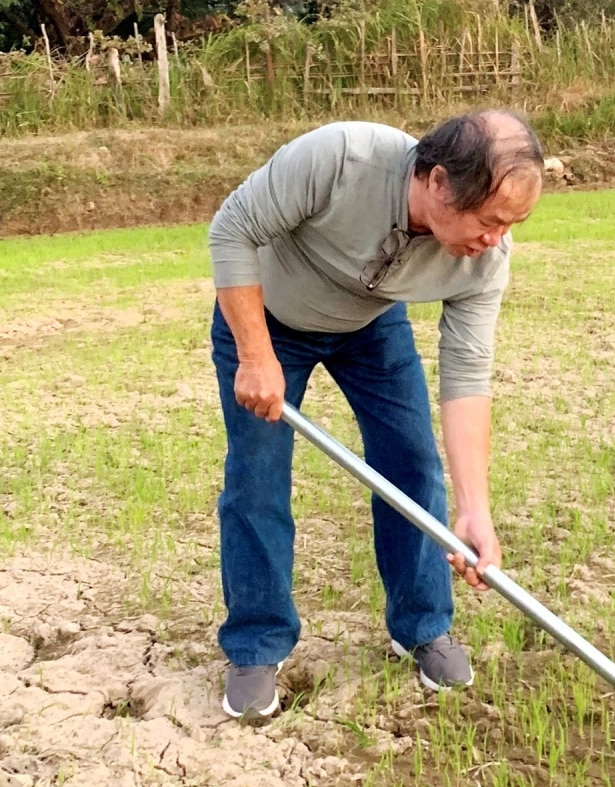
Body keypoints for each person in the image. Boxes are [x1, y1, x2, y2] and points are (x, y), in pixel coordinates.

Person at [207, 110, 544, 720]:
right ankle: (256, 646)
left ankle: (422, 626)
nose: (496, 238)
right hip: (267, 319)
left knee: (413, 463)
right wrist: (255, 355)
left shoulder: (484, 259)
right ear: (439, 181)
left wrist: (475, 510)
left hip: (369, 324)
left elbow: (467, 376)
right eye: (490, 220)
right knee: (257, 477)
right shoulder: (340, 158)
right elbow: (231, 229)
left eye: (511, 224)